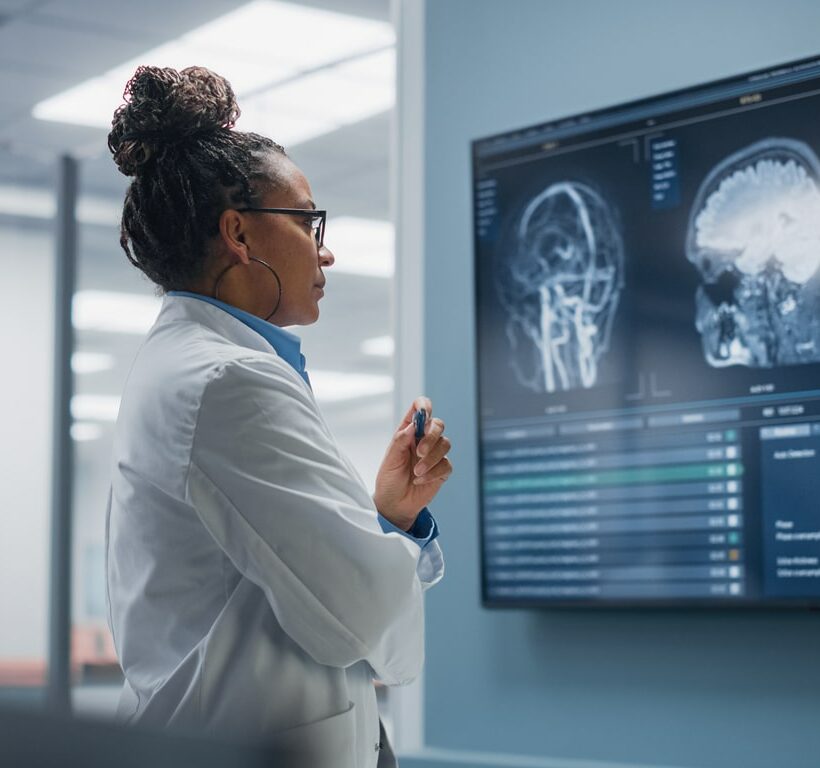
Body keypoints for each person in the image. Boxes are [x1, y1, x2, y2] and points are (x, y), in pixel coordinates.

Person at [104, 65, 450, 768]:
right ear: (239, 232)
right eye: (308, 221)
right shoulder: (228, 380)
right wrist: (389, 549)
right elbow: (362, 619)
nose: (326, 250)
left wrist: (389, 516)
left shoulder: (191, 363)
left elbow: (296, 580)